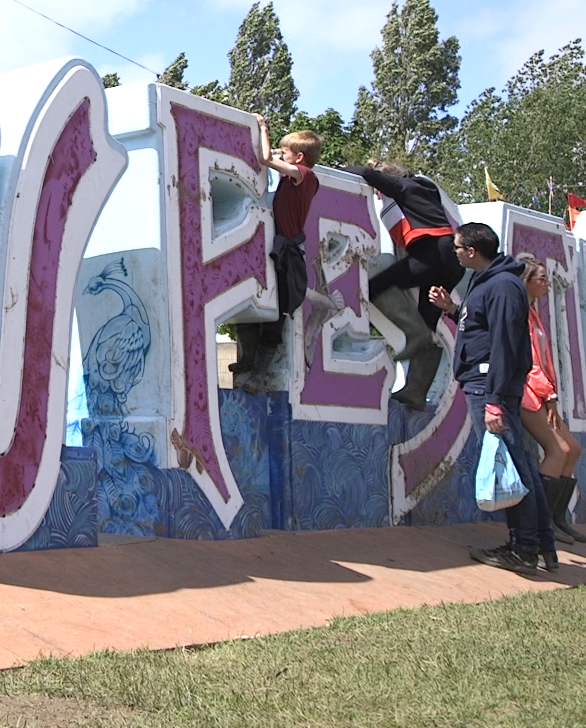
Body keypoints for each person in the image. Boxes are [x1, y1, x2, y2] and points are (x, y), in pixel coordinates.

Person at [430, 222, 553, 575]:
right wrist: (453, 309)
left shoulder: (501, 286)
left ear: (471, 251)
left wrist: (495, 399)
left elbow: (504, 345)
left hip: (489, 387)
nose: (454, 253)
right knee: (519, 463)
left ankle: (526, 547)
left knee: (512, 465)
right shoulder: (490, 281)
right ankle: (537, 542)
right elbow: (482, 327)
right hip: (487, 385)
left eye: (456, 248)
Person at [348, 161, 464, 409]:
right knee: (428, 322)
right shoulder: (423, 189)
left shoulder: (403, 187)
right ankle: (416, 392)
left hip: (432, 253)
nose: (379, 195)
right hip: (450, 260)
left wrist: (337, 170)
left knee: (375, 286)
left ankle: (414, 334)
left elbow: (368, 174)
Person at [232, 117, 334, 387]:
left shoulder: (304, 175)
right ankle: (249, 359)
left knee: (277, 313)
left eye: (286, 152)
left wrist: (263, 128)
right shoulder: (297, 176)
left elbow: (265, 158)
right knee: (251, 295)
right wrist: (280, 149)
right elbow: (274, 156)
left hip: (286, 251)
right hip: (277, 245)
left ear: (299, 157)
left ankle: (258, 373)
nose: (281, 155)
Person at [511, 255, 582, 543]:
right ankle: (541, 523)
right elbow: (529, 362)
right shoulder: (519, 313)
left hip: (541, 394)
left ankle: (556, 517)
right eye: (541, 278)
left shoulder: (533, 313)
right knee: (558, 450)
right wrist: (549, 393)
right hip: (528, 394)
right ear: (526, 281)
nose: (547, 283)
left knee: (573, 449)